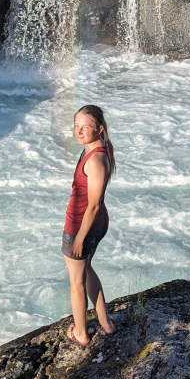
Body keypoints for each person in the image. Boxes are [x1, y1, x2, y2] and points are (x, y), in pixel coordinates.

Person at [63, 104, 117, 346]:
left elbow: (93, 205)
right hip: (95, 224)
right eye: (76, 125)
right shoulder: (92, 151)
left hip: (83, 226)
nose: (79, 130)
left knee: (76, 282)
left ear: (99, 129)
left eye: (85, 126)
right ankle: (105, 323)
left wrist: (79, 238)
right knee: (86, 270)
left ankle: (82, 334)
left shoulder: (95, 160)